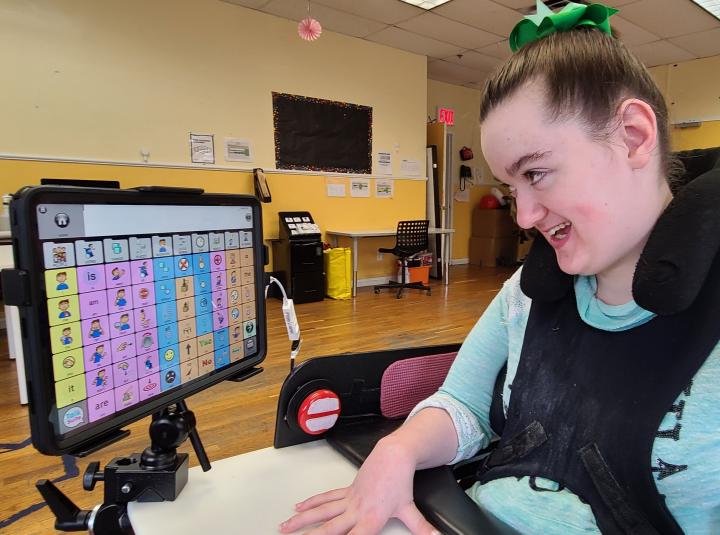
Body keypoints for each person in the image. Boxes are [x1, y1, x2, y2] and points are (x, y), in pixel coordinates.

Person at [279, 3, 720, 535]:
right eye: (513, 187)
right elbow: (464, 403)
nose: (526, 216)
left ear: (632, 135)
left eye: (538, 172)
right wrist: (394, 452)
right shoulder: (528, 291)